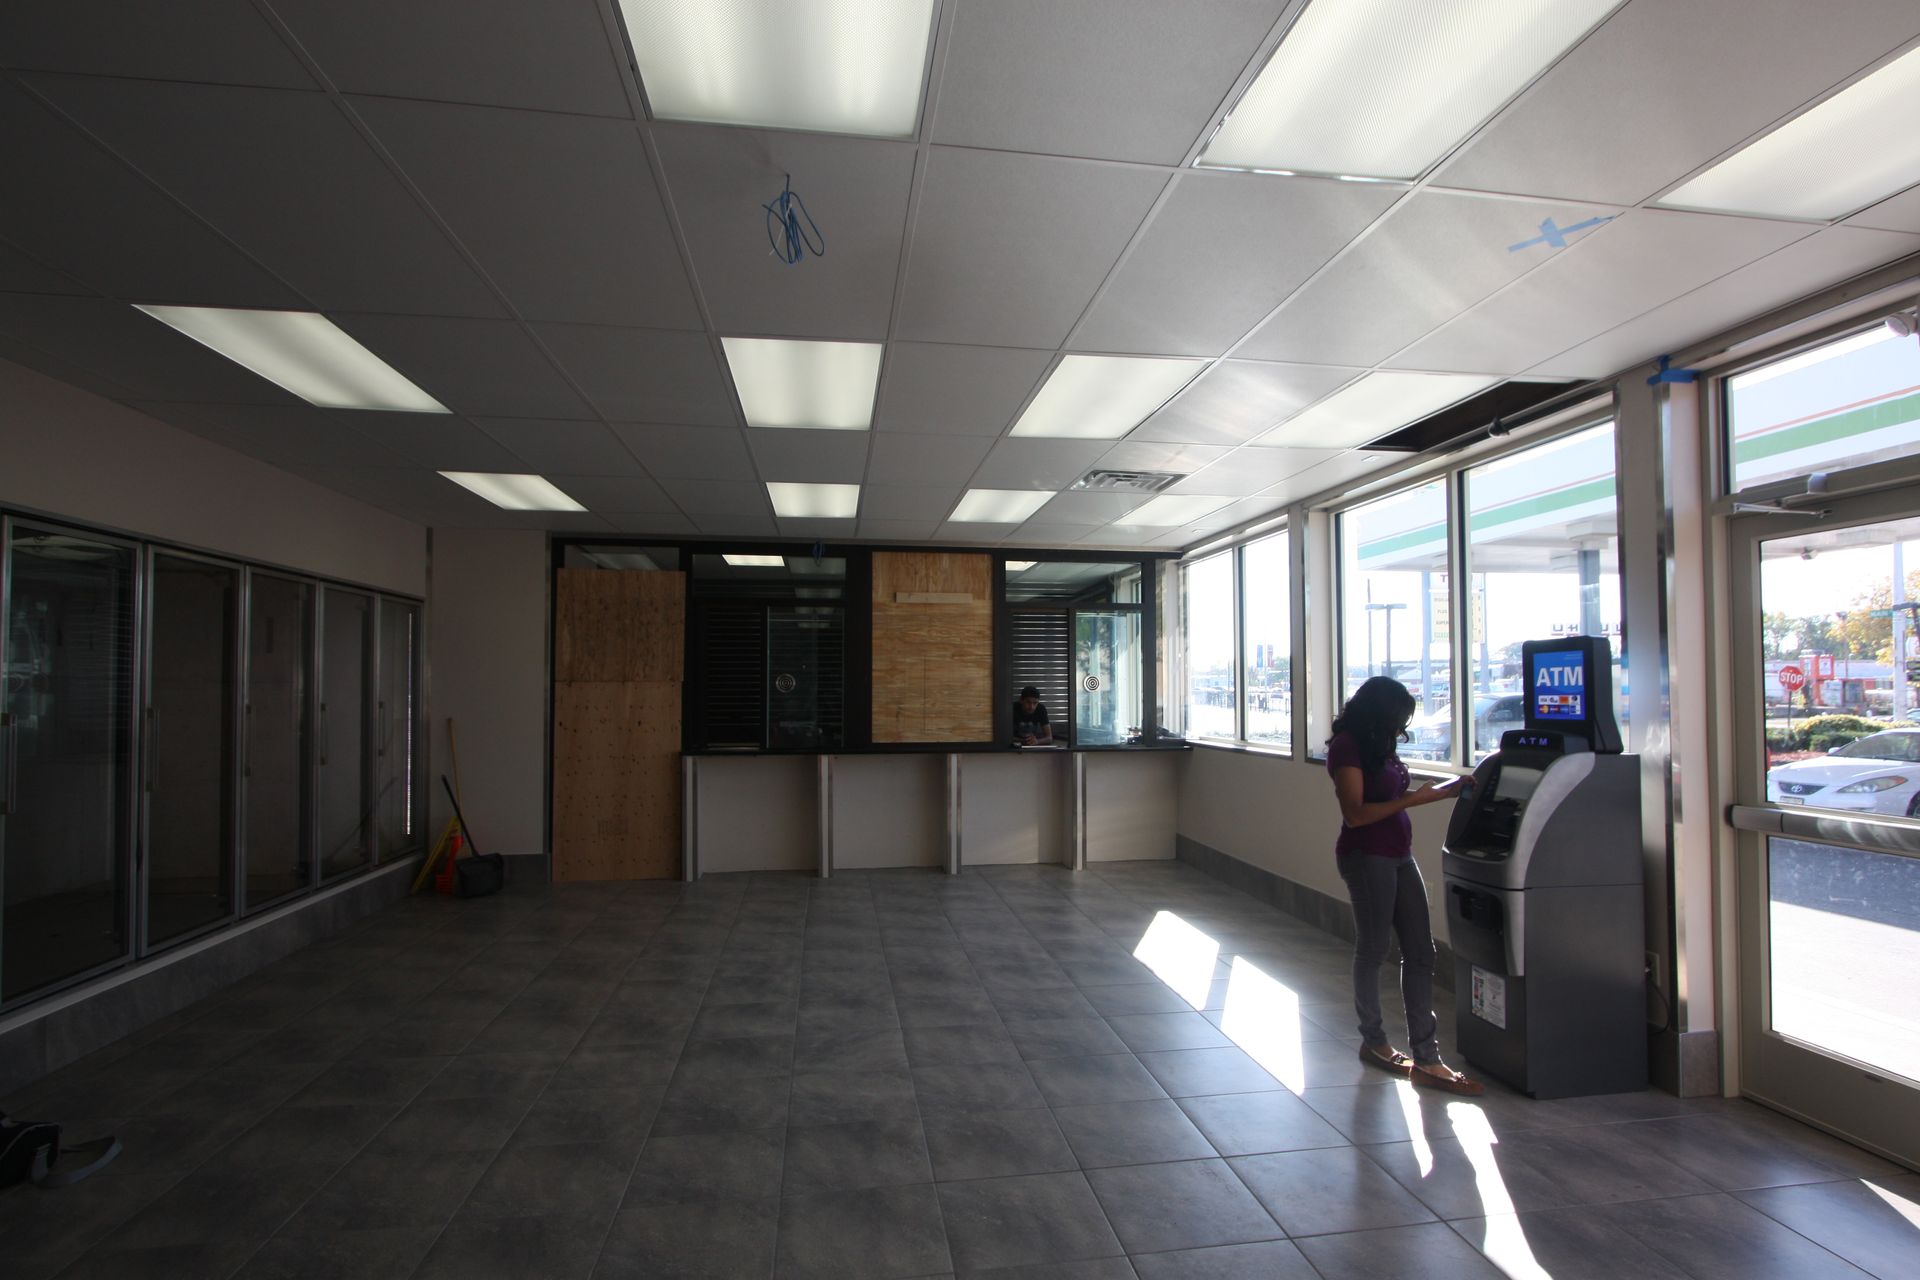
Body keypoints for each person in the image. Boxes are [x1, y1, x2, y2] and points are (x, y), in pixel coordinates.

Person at [1326, 676, 1482, 1095]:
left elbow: (1395, 794)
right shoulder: (1347, 748)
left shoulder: (1379, 744)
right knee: (1374, 948)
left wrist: (1443, 793)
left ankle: (1427, 1056)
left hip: (1398, 853)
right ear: (1378, 714)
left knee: (1420, 950)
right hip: (1365, 857)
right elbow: (1357, 814)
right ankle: (1373, 1039)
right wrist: (1414, 800)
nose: (1401, 729)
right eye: (1397, 720)